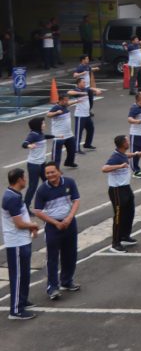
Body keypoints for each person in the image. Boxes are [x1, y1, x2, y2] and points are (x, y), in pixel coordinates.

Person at [32, 162, 81, 300]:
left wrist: (69, 218)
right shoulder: (42, 190)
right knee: (52, 258)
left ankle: (67, 281)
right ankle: (52, 288)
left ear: (59, 172)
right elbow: (37, 211)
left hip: (70, 223)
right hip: (53, 227)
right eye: (47, 173)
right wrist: (55, 223)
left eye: (52, 172)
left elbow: (76, 200)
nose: (50, 175)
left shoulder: (69, 183)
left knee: (70, 253)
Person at [3, 169, 40, 320]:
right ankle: (16, 310)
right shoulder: (11, 198)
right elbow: (18, 223)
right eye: (24, 177)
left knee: (24, 273)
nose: (26, 180)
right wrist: (33, 225)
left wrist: (30, 227)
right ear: (19, 180)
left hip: (22, 240)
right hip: (16, 242)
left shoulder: (15, 195)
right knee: (18, 275)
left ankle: (22, 300)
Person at [102, 135, 141, 253]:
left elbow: (126, 156)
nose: (129, 142)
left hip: (126, 188)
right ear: (123, 144)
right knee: (119, 216)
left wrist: (136, 154)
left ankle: (125, 236)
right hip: (117, 190)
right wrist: (119, 166)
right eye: (127, 141)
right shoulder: (115, 157)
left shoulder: (122, 154)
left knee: (129, 212)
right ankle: (115, 243)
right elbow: (104, 168)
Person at [21, 117, 54, 205]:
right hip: (34, 165)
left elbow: (44, 136)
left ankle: (50, 201)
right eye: (43, 123)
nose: (44, 125)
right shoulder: (33, 134)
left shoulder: (40, 133)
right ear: (37, 125)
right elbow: (24, 143)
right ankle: (26, 207)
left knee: (48, 182)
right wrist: (29, 146)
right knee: (33, 187)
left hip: (42, 163)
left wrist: (55, 136)